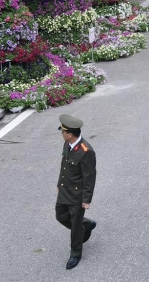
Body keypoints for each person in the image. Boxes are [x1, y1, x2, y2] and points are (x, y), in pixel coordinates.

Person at [55, 114, 97, 270]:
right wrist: (60, 183)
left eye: (63, 131)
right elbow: (64, 164)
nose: (62, 133)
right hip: (65, 189)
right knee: (60, 215)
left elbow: (90, 177)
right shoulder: (68, 144)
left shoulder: (86, 151)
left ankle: (75, 254)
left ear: (70, 134)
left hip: (77, 195)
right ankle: (87, 224)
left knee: (75, 224)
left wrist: (86, 199)